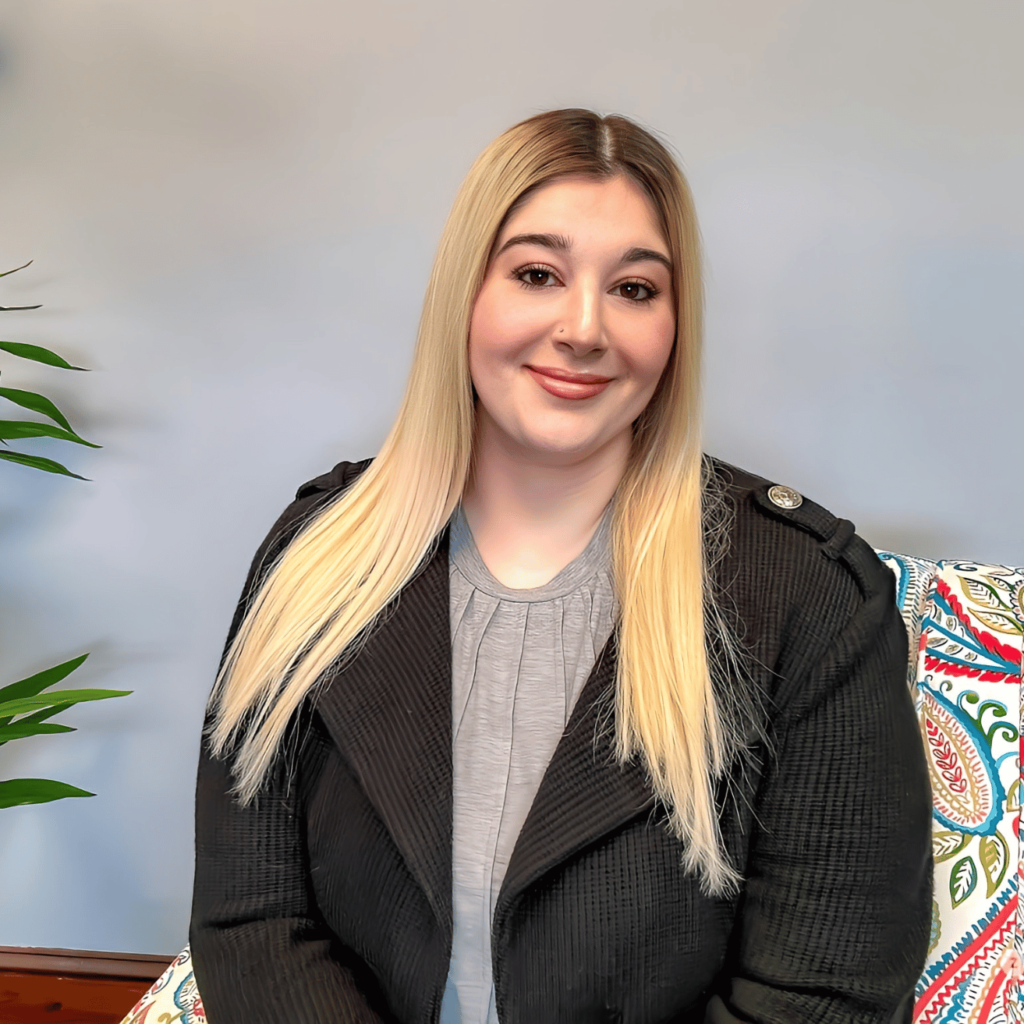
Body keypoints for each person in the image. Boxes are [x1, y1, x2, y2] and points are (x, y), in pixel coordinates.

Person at [190, 108, 933, 1024]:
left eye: (634, 289)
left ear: (674, 324)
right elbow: (251, 920)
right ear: (467, 293)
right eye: (537, 274)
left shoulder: (809, 597)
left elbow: (827, 995)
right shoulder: (315, 558)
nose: (584, 329)